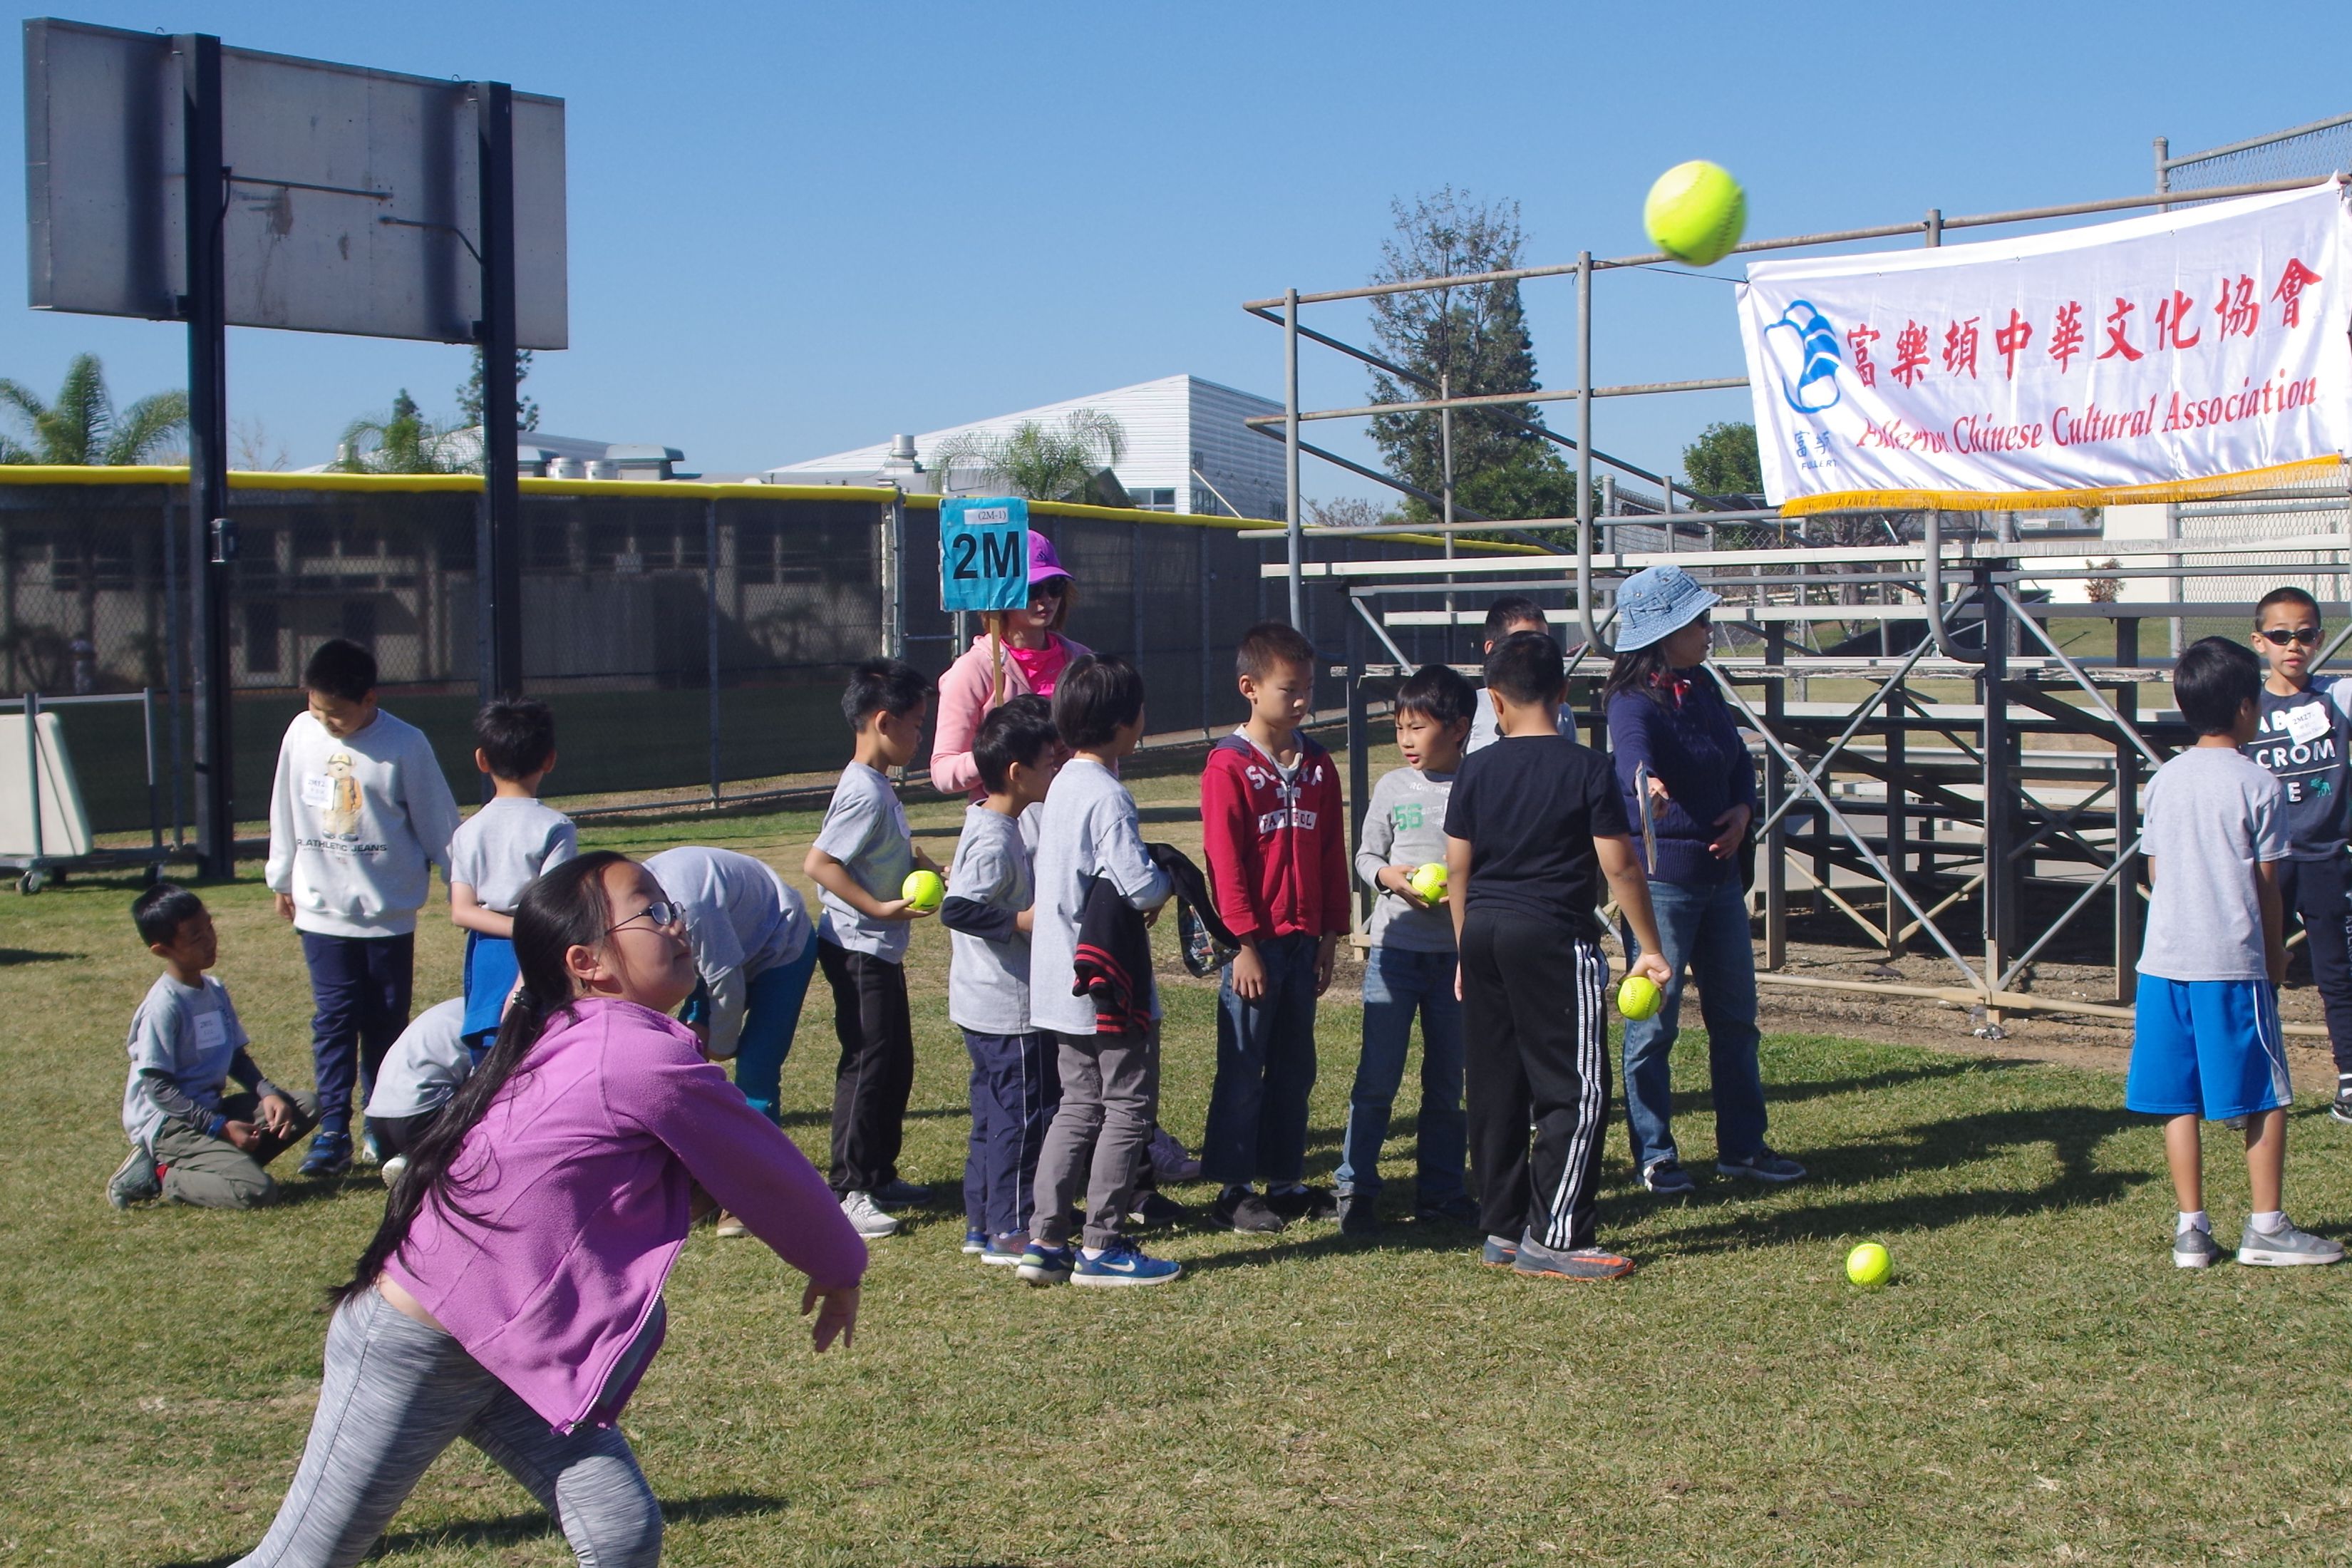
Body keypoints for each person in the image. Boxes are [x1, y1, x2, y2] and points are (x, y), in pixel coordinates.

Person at [226, 852, 866, 1568]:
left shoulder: (583, 1034)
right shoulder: (632, 1056)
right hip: (420, 1346)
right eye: (651, 911)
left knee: (620, 1527)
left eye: (671, 906)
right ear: (586, 961)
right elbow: (768, 1172)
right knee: (303, 1560)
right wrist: (840, 1266)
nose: (676, 922)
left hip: (512, 1346)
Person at [1445, 631, 1671, 1282]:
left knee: (1497, 1086)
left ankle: (1504, 1227)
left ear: (1493, 702)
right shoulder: (1586, 768)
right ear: (1564, 693)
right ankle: (1556, 1235)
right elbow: (1619, 864)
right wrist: (1648, 948)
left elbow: (1456, 867)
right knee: (1577, 1088)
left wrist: (1464, 947)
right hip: (1550, 937)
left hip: (1483, 931)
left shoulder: (1477, 768)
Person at [2127, 637, 2343, 1269]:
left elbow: (2159, 872)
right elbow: (2268, 886)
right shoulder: (2260, 783)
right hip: (2232, 962)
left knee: (2180, 1096)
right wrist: (2275, 954)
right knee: (2265, 1094)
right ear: (2249, 708)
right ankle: (2267, 1228)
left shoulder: (2164, 779)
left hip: (2164, 963)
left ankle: (2191, 1229)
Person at [1604, 564, 1803, 1196]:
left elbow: (1739, 763)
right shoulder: (1631, 701)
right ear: (1664, 634)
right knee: (1652, 1029)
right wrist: (1647, 791)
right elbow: (1629, 763)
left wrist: (1745, 810)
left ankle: (1742, 1149)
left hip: (1721, 882)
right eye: (1698, 622)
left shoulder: (1704, 686)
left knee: (1736, 1022)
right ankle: (1656, 1156)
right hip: (1664, 885)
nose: (1709, 631)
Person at [265, 639, 461, 1178]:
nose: (326, 721)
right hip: (322, 912)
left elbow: (437, 820)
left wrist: (459, 877)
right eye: (316, 708)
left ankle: (383, 1124)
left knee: (385, 1023)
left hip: (387, 915)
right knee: (333, 1020)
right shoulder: (300, 733)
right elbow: (284, 806)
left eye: (338, 713)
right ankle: (332, 1131)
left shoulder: (405, 744)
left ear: (370, 698)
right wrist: (281, 876)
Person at [1018, 654, 1181, 1286]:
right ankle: (1103, 1245)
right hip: (1106, 984)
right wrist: (1168, 876)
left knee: (1077, 1106)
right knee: (1127, 1107)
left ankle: (1046, 1240)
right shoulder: (1109, 794)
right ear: (1124, 722)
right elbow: (1138, 887)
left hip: (1059, 980)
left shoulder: (1061, 783)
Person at [1199, 621, 1350, 1234]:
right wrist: (1242, 944)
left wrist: (1330, 935)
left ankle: (1285, 1180)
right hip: (1253, 949)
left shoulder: (1318, 765)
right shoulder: (1228, 767)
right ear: (1250, 688)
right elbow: (1224, 863)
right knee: (1244, 1066)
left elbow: (1330, 855)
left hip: (1302, 941)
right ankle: (1234, 1189)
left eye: (1308, 688)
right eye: (1289, 689)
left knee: (1295, 1066)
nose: (1301, 701)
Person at [1335, 663, 1477, 1234]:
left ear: (1460, 729)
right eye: (1400, 727)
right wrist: (1390, 879)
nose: (1406, 740)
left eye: (1418, 728)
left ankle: (1441, 1190)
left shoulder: (1477, 784)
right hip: (1394, 955)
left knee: (1447, 1084)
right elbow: (1366, 857)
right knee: (1377, 1079)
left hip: (1454, 963)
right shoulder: (1393, 787)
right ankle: (1357, 1188)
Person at [804, 657, 941, 1240]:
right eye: (915, 724)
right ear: (883, 722)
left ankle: (880, 1172)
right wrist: (879, 908)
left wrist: (916, 862)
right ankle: (849, 1187)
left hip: (878, 949)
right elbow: (821, 863)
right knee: (867, 1061)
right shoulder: (863, 790)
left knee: (895, 1059)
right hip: (858, 948)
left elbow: (874, 851)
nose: (920, 735)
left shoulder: (879, 785)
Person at [940, 696, 1065, 1264]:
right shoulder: (995, 838)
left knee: (993, 1116)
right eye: (1048, 763)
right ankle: (1010, 1227)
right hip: (1007, 1010)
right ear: (1018, 773)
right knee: (1022, 1115)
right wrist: (1020, 921)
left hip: (983, 1007)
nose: (1055, 772)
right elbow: (959, 908)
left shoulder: (991, 821)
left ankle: (980, 1220)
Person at [642, 845, 821, 1239]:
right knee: (685, 1060)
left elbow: (724, 979)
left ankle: (752, 1196)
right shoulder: (635, 908)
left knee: (757, 1069)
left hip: (780, 942)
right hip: (715, 954)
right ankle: (701, 1182)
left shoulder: (692, 905)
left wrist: (722, 1044)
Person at [110, 884, 319, 1210]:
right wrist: (220, 1128)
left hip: (210, 1109)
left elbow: (235, 1056)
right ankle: (161, 1174)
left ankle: (221, 1164)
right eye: (195, 937)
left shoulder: (214, 989)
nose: (210, 940)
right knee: (258, 1192)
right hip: (170, 1123)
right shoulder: (163, 1006)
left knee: (303, 1106)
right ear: (162, 950)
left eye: (209, 926)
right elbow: (159, 1089)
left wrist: (268, 1092)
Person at [2242, 586, 2352, 1124]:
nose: (2294, 646)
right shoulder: (2244, 705)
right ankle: (2251, 1080)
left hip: (2328, 855)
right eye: (2282, 636)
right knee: (2258, 967)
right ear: (2259, 641)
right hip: (2266, 858)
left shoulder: (2336, 696)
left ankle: (2349, 1081)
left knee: (2338, 972)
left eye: (2306, 635)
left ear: (2319, 640)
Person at [447, 698, 577, 1057]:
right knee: (541, 1055)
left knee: (488, 1064)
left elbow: (462, 911)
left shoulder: (468, 831)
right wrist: (530, 930)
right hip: (539, 955)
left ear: (481, 760)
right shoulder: (556, 827)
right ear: (549, 759)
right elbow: (555, 908)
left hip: (487, 955)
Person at [931, 532, 1091, 800]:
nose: (1046, 599)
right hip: (1008, 828)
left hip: (1073, 818)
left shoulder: (1080, 661)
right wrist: (1006, 750)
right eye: (1031, 589)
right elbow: (944, 773)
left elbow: (1105, 757)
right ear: (1001, 592)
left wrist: (1075, 751)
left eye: (1056, 586)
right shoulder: (973, 670)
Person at [363, 998, 468, 1187]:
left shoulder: (458, 1008)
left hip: (379, 1118)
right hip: (420, 1117)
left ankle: (411, 1160)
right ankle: (428, 1165)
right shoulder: (497, 1016)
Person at [1465, 595, 1577, 753]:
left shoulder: (1561, 710)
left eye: (1543, 643)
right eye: (1522, 643)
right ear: (1491, 650)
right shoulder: (1471, 706)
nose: (1536, 654)